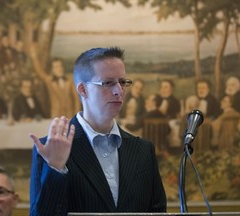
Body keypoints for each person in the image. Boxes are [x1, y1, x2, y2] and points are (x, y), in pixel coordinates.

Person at [29, 47, 167, 215]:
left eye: (122, 82)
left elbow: (158, 211)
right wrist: (56, 169)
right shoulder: (49, 148)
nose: (119, 91)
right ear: (83, 90)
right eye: (108, 83)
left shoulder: (143, 150)